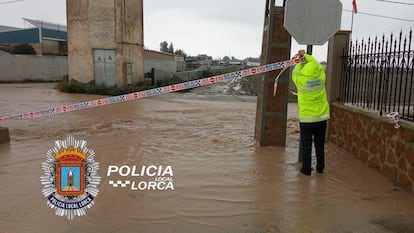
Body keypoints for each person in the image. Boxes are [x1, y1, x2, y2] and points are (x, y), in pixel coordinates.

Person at [292, 50, 330, 176]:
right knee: (320, 144)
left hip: (307, 119)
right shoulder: (321, 76)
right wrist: (307, 57)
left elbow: (295, 72)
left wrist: (300, 61)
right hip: (321, 117)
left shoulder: (300, 80)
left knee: (306, 145)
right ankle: (320, 167)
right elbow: (315, 63)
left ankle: (306, 169)